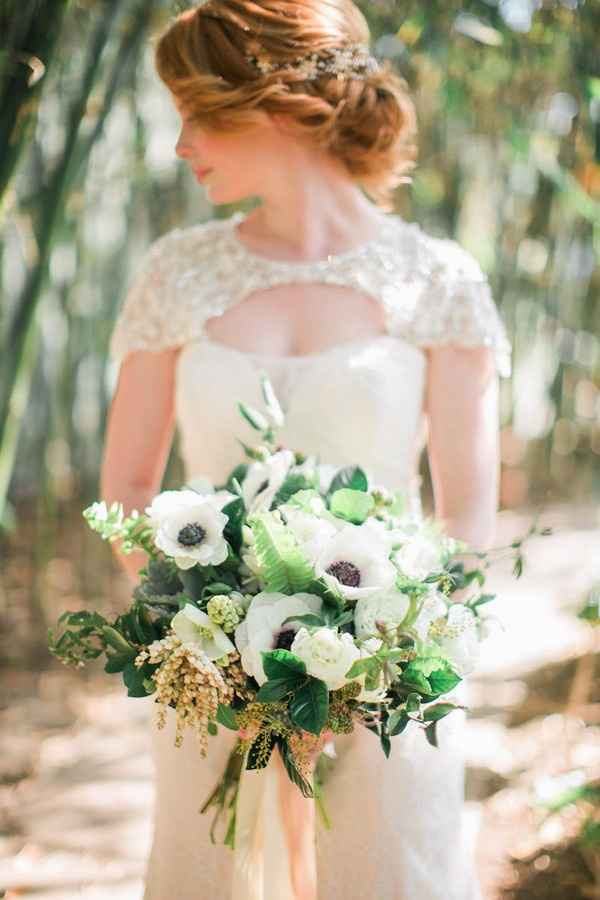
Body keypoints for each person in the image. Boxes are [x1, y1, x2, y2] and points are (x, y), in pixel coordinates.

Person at [100, 1, 512, 898]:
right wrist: (208, 650)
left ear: (279, 103)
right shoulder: (176, 274)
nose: (180, 148)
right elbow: (130, 485)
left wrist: (387, 662)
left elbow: (468, 518)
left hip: (392, 694)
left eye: (196, 114)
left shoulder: (438, 282)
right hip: (206, 687)